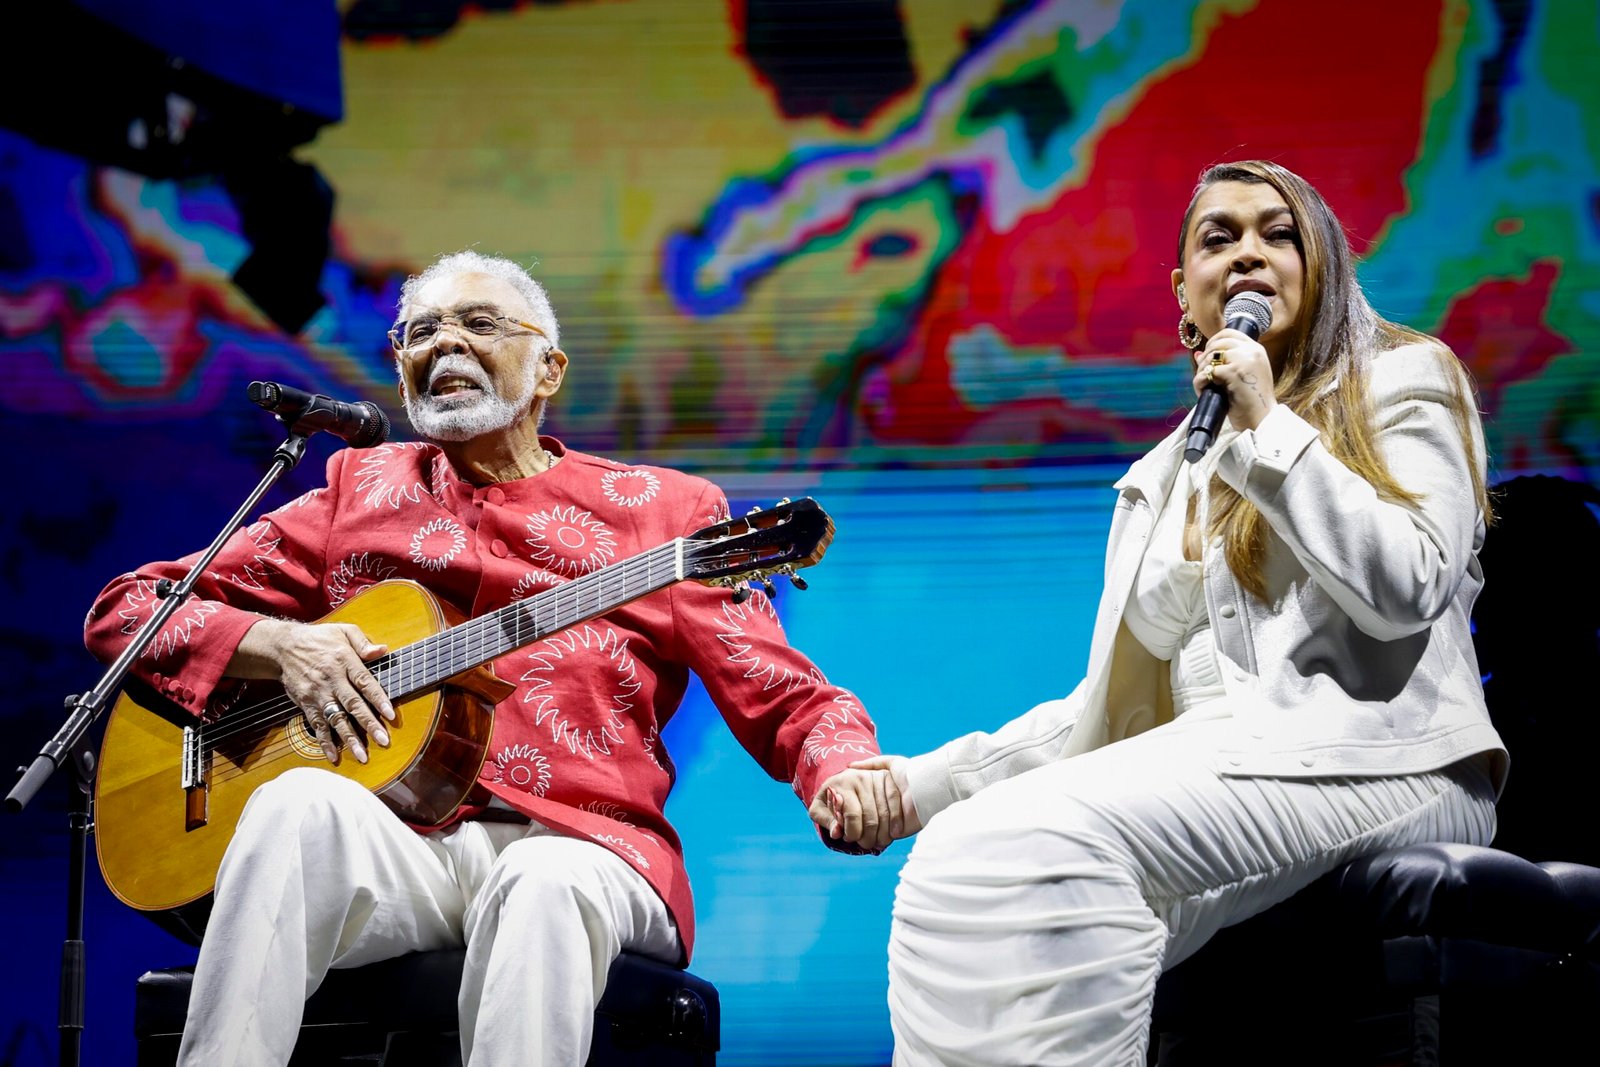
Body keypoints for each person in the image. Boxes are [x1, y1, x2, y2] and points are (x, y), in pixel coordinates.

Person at [84, 250, 895, 1066]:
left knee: (539, 880)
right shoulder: (354, 489)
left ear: (549, 369)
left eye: (479, 324)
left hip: (589, 847)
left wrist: (843, 770)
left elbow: (787, 693)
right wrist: (281, 644)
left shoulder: (664, 515)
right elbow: (128, 612)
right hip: (404, 846)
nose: (445, 346)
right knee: (293, 803)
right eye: (421, 332)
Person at [810, 160, 1508, 1066]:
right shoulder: (1162, 475)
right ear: (1186, 291)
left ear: (1325, 265)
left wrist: (1269, 425)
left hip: (1386, 757)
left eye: (1278, 233)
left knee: (1038, 844)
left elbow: (1406, 585)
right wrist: (919, 787)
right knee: (955, 862)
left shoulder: (1404, 381)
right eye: (1219, 238)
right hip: (1229, 761)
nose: (1248, 253)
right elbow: (1103, 716)